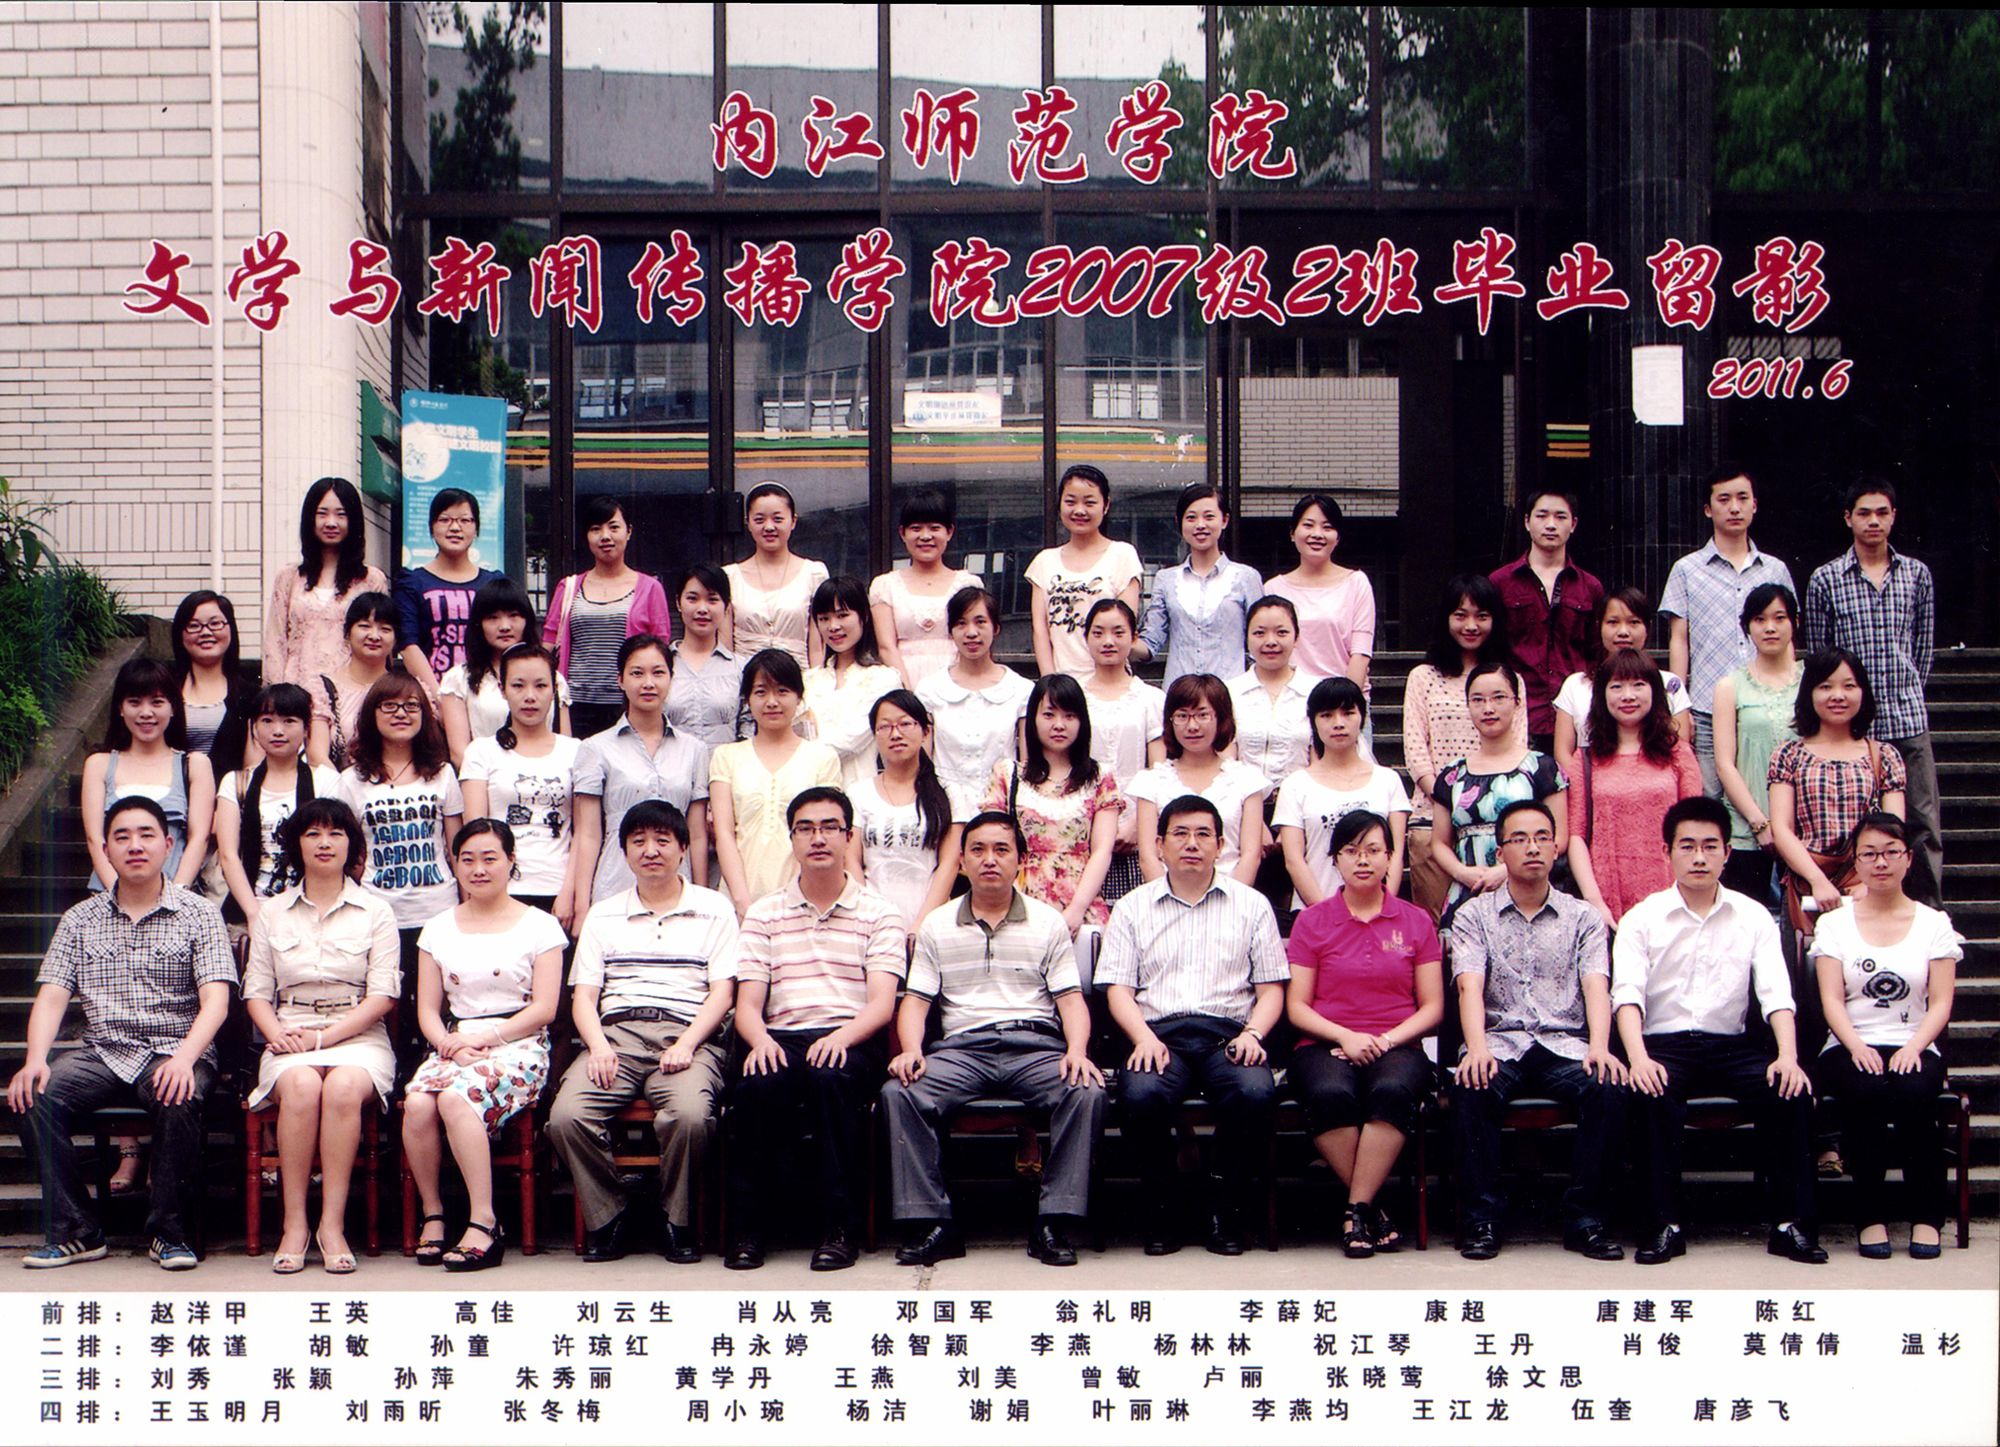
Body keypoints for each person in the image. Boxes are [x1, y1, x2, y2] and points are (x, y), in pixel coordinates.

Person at [9, 797, 234, 1270]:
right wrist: (34, 1059)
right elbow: (52, 997)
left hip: (175, 1048)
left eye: (146, 835)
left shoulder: (199, 914)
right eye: (122, 837)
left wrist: (185, 1058)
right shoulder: (79, 919)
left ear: (168, 845)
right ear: (106, 849)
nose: (135, 846)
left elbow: (216, 1000)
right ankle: (78, 1230)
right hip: (103, 1052)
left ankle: (169, 1233)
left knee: (179, 1092)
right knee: (33, 1094)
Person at [883, 811, 1108, 1268]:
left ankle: (1053, 1222)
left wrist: (1077, 1051)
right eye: (978, 850)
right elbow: (917, 1003)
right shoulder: (937, 924)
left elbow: (1069, 1001)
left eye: (1002, 850)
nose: (990, 859)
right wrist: (911, 1050)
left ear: (1020, 860)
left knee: (1085, 1090)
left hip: (1035, 1047)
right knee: (900, 1092)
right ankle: (934, 1224)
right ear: (961, 862)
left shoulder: (1047, 922)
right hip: (962, 1050)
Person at [1612, 797, 1826, 1265]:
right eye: (1687, 846)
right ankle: (1662, 1226)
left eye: (1710, 846)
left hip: (1731, 1046)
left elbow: (1776, 994)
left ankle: (1791, 1226)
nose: (1699, 857)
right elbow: (1626, 995)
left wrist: (1787, 1057)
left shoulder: (1753, 916)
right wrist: (1638, 1058)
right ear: (1667, 852)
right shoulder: (1641, 918)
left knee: (1788, 1090)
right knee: (1649, 1092)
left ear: (1728, 852)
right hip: (1663, 1046)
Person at [546, 801, 738, 1266]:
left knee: (690, 1116)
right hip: (617, 1036)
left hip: (688, 1035)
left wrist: (688, 1043)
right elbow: (583, 997)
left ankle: (676, 1219)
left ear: (684, 848)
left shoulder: (714, 909)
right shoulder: (604, 914)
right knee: (567, 1117)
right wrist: (597, 1046)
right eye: (639, 842)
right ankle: (612, 1214)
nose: (651, 851)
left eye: (662, 840)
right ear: (625, 851)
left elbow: (723, 993)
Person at [725, 787, 907, 1270]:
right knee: (758, 1084)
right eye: (805, 829)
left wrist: (840, 1038)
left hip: (851, 1035)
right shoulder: (765, 913)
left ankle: (839, 1228)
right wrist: (760, 1041)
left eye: (829, 827)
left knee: (831, 1080)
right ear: (792, 839)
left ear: (849, 837)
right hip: (781, 1036)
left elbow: (881, 1005)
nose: (818, 838)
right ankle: (748, 1229)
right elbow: (748, 1005)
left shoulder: (880, 913)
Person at [1098, 794, 1288, 1255]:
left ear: (1220, 845)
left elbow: (1271, 990)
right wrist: (1142, 1038)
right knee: (1140, 1095)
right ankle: (1166, 1206)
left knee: (1254, 1092)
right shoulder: (1133, 907)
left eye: (1204, 834)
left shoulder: (1251, 905)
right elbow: (1118, 989)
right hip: (1158, 1035)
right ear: (1159, 845)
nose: (1192, 844)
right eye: (1180, 834)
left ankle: (1223, 1208)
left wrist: (1253, 1034)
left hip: (1229, 1035)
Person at [1448, 798, 1627, 1262]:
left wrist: (1601, 1047)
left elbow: (1596, 984)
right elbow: (1469, 985)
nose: (1533, 848)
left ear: (1555, 848)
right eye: (1520, 839)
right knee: (1471, 1083)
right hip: (1500, 1041)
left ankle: (1586, 1220)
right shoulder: (1473, 915)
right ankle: (1482, 1220)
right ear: (1500, 853)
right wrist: (1476, 1048)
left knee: (1607, 1086)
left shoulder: (1583, 916)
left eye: (1543, 838)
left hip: (1564, 1042)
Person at [240, 798, 399, 1274]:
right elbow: (256, 992)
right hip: (290, 1030)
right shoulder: (272, 912)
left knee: (344, 1086)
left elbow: (382, 996)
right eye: (312, 834)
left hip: (358, 1032)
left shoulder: (376, 911)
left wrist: (322, 1041)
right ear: (296, 844)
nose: (324, 843)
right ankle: (294, 1223)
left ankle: (332, 1224)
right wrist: (277, 1035)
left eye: (335, 833)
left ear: (352, 844)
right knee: (303, 1085)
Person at [401, 820, 564, 1272]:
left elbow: (545, 1008)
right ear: (454, 864)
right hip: (455, 1042)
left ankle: (484, 1223)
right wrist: (449, 1044)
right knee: (418, 1102)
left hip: (519, 1044)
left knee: (457, 1097)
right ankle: (435, 1214)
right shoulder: (437, 928)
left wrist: (486, 1039)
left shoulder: (541, 925)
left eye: (490, 858)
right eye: (467, 859)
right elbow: (427, 1009)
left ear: (511, 861)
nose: (478, 869)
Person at [1285, 810, 1444, 1257]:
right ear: (1335, 859)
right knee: (1329, 1093)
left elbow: (1433, 1007)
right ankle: (1375, 1210)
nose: (1363, 860)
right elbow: (1297, 1007)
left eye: (1374, 850)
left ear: (1391, 858)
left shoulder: (1415, 921)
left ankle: (1356, 1210)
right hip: (1324, 1043)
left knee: (1391, 1089)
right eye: (1351, 851)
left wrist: (1386, 1040)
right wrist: (1345, 1037)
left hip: (1398, 1042)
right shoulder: (1312, 921)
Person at [1809, 813, 1960, 1259]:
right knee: (1865, 1091)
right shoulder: (1835, 924)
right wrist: (1856, 1045)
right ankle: (1869, 1217)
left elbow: (1941, 1002)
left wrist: (1915, 1046)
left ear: (1908, 859)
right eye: (1870, 854)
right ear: (1856, 861)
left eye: (1891, 852)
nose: (1881, 863)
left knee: (1916, 1092)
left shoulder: (1934, 923)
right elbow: (1831, 999)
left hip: (1915, 1039)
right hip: (1849, 1043)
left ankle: (1927, 1218)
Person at [1803, 477, 1943, 898]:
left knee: (1921, 822)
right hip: (1852, 726)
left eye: (1882, 512)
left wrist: (1905, 689)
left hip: (1906, 718)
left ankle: (1928, 910)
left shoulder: (1916, 574)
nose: (1873, 521)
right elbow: (1822, 656)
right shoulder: (1826, 579)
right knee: (1857, 825)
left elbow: (1922, 650)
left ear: (1894, 516)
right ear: (1848, 518)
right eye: (1864, 513)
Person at [334, 674, 464, 1068]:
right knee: (390, 1006)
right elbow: (348, 854)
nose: (401, 714)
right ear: (371, 715)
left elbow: (455, 847)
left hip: (437, 910)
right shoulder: (351, 780)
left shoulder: (441, 773)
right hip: (381, 913)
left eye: (411, 706)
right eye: (389, 706)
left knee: (436, 1005)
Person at [1659, 464, 1797, 796]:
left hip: (1764, 705)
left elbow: (1786, 637)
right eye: (1724, 499)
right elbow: (1679, 640)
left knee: (1771, 790)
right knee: (1711, 797)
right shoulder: (1686, 569)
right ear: (1708, 509)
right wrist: (1679, 706)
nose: (1734, 507)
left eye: (1742, 498)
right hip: (1706, 707)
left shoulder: (1775, 569)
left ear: (1755, 505)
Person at [1401, 574, 1525, 918]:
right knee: (1436, 931)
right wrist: (1453, 804)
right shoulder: (1423, 677)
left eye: (1481, 616)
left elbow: (1518, 750)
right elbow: (1416, 751)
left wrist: (1479, 808)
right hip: (1432, 821)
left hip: (1497, 824)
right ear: (1446, 618)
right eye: (1460, 615)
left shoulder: (1511, 681)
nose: (1471, 625)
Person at [1767, 648, 1908, 933]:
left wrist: (1870, 882)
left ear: (1862, 692)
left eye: (1849, 686)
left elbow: (1895, 830)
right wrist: (1817, 881)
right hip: (1806, 887)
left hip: (1868, 888)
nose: (1838, 696)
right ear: (1809, 693)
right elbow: (1781, 828)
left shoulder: (1884, 756)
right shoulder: (1788, 755)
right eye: (1825, 686)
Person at [573, 635, 714, 908]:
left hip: (678, 889)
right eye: (637, 673)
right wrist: (581, 906)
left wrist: (700, 896)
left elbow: (697, 835)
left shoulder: (694, 749)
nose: (648, 683)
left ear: (671, 678)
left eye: (658, 673)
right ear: (620, 680)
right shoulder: (595, 748)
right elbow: (588, 835)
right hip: (615, 885)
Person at [1566, 650, 1704, 928]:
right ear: (1602, 695)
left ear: (1655, 692)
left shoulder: (1678, 753)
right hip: (1606, 900)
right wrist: (1595, 903)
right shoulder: (1585, 759)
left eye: (1638, 685)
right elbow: (1576, 836)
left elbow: (1695, 829)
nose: (1627, 696)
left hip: (1673, 898)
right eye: (1616, 686)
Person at [1429, 661, 1569, 928]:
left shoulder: (1542, 767)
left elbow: (1559, 837)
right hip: (1469, 890)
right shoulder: (1452, 774)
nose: (1488, 708)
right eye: (1478, 700)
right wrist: (1463, 873)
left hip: (1529, 889)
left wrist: (1506, 870)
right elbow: (1439, 842)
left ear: (1517, 703)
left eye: (1498, 698)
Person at [981, 673, 1119, 937]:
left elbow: (1102, 850)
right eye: (1048, 715)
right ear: (1033, 719)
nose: (1059, 725)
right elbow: (994, 845)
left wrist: (1076, 909)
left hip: (1080, 905)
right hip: (1018, 902)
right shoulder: (1007, 775)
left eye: (1069, 716)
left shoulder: (1101, 777)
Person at [708, 648, 842, 917]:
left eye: (782, 691)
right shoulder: (726, 756)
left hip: (805, 903)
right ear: (747, 700)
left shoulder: (822, 757)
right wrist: (742, 903)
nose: (772, 702)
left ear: (799, 697)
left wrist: (798, 900)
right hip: (740, 901)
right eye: (761, 692)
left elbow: (826, 834)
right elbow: (724, 833)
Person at [460, 643, 582, 926]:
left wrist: (570, 892)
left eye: (541, 686)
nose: (530, 696)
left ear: (554, 689)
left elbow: (583, 832)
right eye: (518, 685)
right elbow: (475, 830)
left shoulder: (575, 750)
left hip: (558, 892)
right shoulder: (481, 751)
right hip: (500, 891)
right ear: (502, 689)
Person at [544, 496, 675, 739]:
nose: (605, 536)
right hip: (574, 706)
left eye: (614, 527)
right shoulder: (568, 587)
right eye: (596, 529)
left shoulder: (650, 588)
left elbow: (660, 650)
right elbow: (548, 646)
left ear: (629, 531)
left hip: (628, 705)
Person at [1275, 677, 1412, 909]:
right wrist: (1329, 915)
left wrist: (1381, 908)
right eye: (1326, 715)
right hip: (1316, 913)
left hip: (1378, 914)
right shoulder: (1295, 785)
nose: (1338, 723)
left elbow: (1396, 854)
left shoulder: (1388, 780)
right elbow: (1294, 860)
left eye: (1348, 713)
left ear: (1362, 718)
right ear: (1313, 722)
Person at [214, 684, 340, 928]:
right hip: (253, 906)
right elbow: (229, 855)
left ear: (306, 728)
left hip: (313, 910)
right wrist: (253, 914)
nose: (278, 731)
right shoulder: (236, 783)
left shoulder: (325, 781)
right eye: (267, 721)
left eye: (289, 721)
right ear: (254, 727)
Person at [1489, 488, 1605, 750]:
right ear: (1527, 521)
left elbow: (1596, 650)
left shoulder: (1590, 587)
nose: (1551, 524)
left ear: (1573, 524)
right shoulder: (1500, 583)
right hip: (1518, 712)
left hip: (1575, 714)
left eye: (1560, 517)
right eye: (1542, 516)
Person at [1131, 673, 1272, 887]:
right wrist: (1172, 900)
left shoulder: (1247, 780)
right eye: (1182, 716)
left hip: (1232, 895)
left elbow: (1250, 856)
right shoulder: (1150, 782)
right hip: (1166, 898)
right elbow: (1149, 857)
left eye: (1202, 715)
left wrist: (1230, 900)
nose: (1192, 726)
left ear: (1221, 718)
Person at [1712, 582, 1803, 902]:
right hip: (1747, 828)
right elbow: (1725, 763)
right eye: (1759, 619)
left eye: (1779, 618)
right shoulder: (1730, 686)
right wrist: (1759, 823)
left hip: (1805, 826)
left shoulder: (1812, 682)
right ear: (1747, 627)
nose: (1770, 628)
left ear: (1795, 622)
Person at [916, 585, 1033, 825]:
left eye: (980, 622)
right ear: (951, 632)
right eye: (961, 624)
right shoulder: (930, 689)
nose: (971, 633)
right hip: (944, 810)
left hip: (1002, 809)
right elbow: (921, 764)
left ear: (996, 628)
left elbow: (1028, 764)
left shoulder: (1021, 690)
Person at [1551, 587, 1693, 780]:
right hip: (1593, 787)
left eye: (1634, 622)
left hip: (1656, 786)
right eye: (1613, 622)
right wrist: (1590, 786)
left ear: (1647, 627)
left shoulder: (1670, 684)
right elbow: (1563, 753)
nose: (1623, 632)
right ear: (1599, 626)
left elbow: (1680, 751)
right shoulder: (1575, 685)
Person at [264, 476, 389, 691]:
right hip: (296, 694)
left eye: (341, 514)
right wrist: (278, 695)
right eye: (322, 513)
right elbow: (275, 643)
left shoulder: (371, 579)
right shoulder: (288, 577)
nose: (331, 522)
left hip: (351, 695)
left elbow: (380, 643)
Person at [848, 691, 959, 933]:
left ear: (925, 731)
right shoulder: (858, 794)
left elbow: (949, 864)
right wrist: (869, 917)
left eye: (905, 724)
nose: (896, 734)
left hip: (930, 924)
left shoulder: (950, 794)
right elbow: (851, 860)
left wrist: (921, 924)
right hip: (870, 924)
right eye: (885, 727)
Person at [1133, 482, 1263, 687]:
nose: (1200, 525)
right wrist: (1118, 637)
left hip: (1231, 694)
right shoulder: (1165, 579)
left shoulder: (1246, 577)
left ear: (1224, 520)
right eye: (1191, 517)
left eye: (1209, 517)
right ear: (1179, 522)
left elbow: (1260, 640)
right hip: (1179, 695)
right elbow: (1151, 642)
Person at [1077, 598, 1163, 904]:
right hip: (1082, 831)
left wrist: (1138, 823)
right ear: (1086, 637)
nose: (1108, 641)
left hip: (1136, 832)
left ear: (1134, 637)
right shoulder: (1075, 697)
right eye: (1098, 632)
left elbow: (1159, 770)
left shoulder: (1151, 699)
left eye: (1118, 632)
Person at [1026, 463, 1143, 679]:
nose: (1079, 510)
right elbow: (1040, 631)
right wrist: (1050, 682)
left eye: (1089, 502)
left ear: (1106, 506)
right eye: (1070, 502)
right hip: (1063, 686)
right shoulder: (1044, 562)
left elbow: (1123, 628)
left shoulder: (1122, 555)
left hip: (1111, 682)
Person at [440, 578, 572, 768]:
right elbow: (460, 753)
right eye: (493, 618)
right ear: (479, 624)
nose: (504, 626)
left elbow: (565, 747)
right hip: (483, 778)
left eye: (513, 615)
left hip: (545, 779)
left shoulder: (553, 678)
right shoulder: (458, 679)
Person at [1264, 493, 1374, 705]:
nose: (1317, 534)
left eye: (1327, 527)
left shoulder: (1356, 583)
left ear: (1338, 537)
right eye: (1308, 525)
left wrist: (1342, 705)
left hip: (1343, 703)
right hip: (1290, 703)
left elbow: (1360, 654)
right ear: (1292, 533)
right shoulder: (1273, 589)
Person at [395, 486, 502, 701]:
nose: (455, 528)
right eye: (445, 520)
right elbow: (408, 645)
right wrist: (439, 700)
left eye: (465, 520)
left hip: (486, 696)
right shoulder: (412, 582)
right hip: (432, 697)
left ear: (476, 528)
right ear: (432, 526)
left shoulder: (493, 582)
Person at [799, 574, 902, 794]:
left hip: (859, 791)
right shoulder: (808, 680)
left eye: (842, 615)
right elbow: (795, 732)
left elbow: (851, 740)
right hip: (807, 788)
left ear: (863, 616)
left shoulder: (884, 679)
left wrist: (800, 752)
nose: (833, 626)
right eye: (824, 618)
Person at [871, 488, 980, 688]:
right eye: (916, 528)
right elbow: (886, 647)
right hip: (902, 685)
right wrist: (908, 695)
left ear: (949, 532)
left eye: (934, 528)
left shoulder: (968, 584)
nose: (925, 536)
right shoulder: (885, 586)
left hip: (958, 684)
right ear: (902, 533)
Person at [725, 481, 829, 668]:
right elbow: (725, 646)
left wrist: (816, 680)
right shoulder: (730, 577)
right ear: (748, 523)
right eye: (759, 520)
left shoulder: (814, 574)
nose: (769, 527)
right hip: (745, 679)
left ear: (793, 521)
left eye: (778, 519)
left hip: (799, 678)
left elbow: (817, 647)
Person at [307, 591, 398, 772]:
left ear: (396, 640)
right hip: (337, 783)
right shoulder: (323, 690)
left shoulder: (404, 689)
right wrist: (345, 787)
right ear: (347, 633)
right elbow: (316, 755)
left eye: (385, 629)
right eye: (364, 626)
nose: (374, 636)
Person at [170, 589, 254, 776]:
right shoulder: (164, 690)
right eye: (194, 626)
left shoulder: (250, 696)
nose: (206, 632)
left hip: (229, 792)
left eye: (215, 623)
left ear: (231, 628)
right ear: (180, 634)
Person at [665, 563, 746, 748]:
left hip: (723, 766)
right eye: (692, 599)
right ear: (678, 603)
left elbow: (748, 729)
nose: (702, 609)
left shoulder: (741, 669)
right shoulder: (661, 666)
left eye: (712, 600)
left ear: (727, 607)